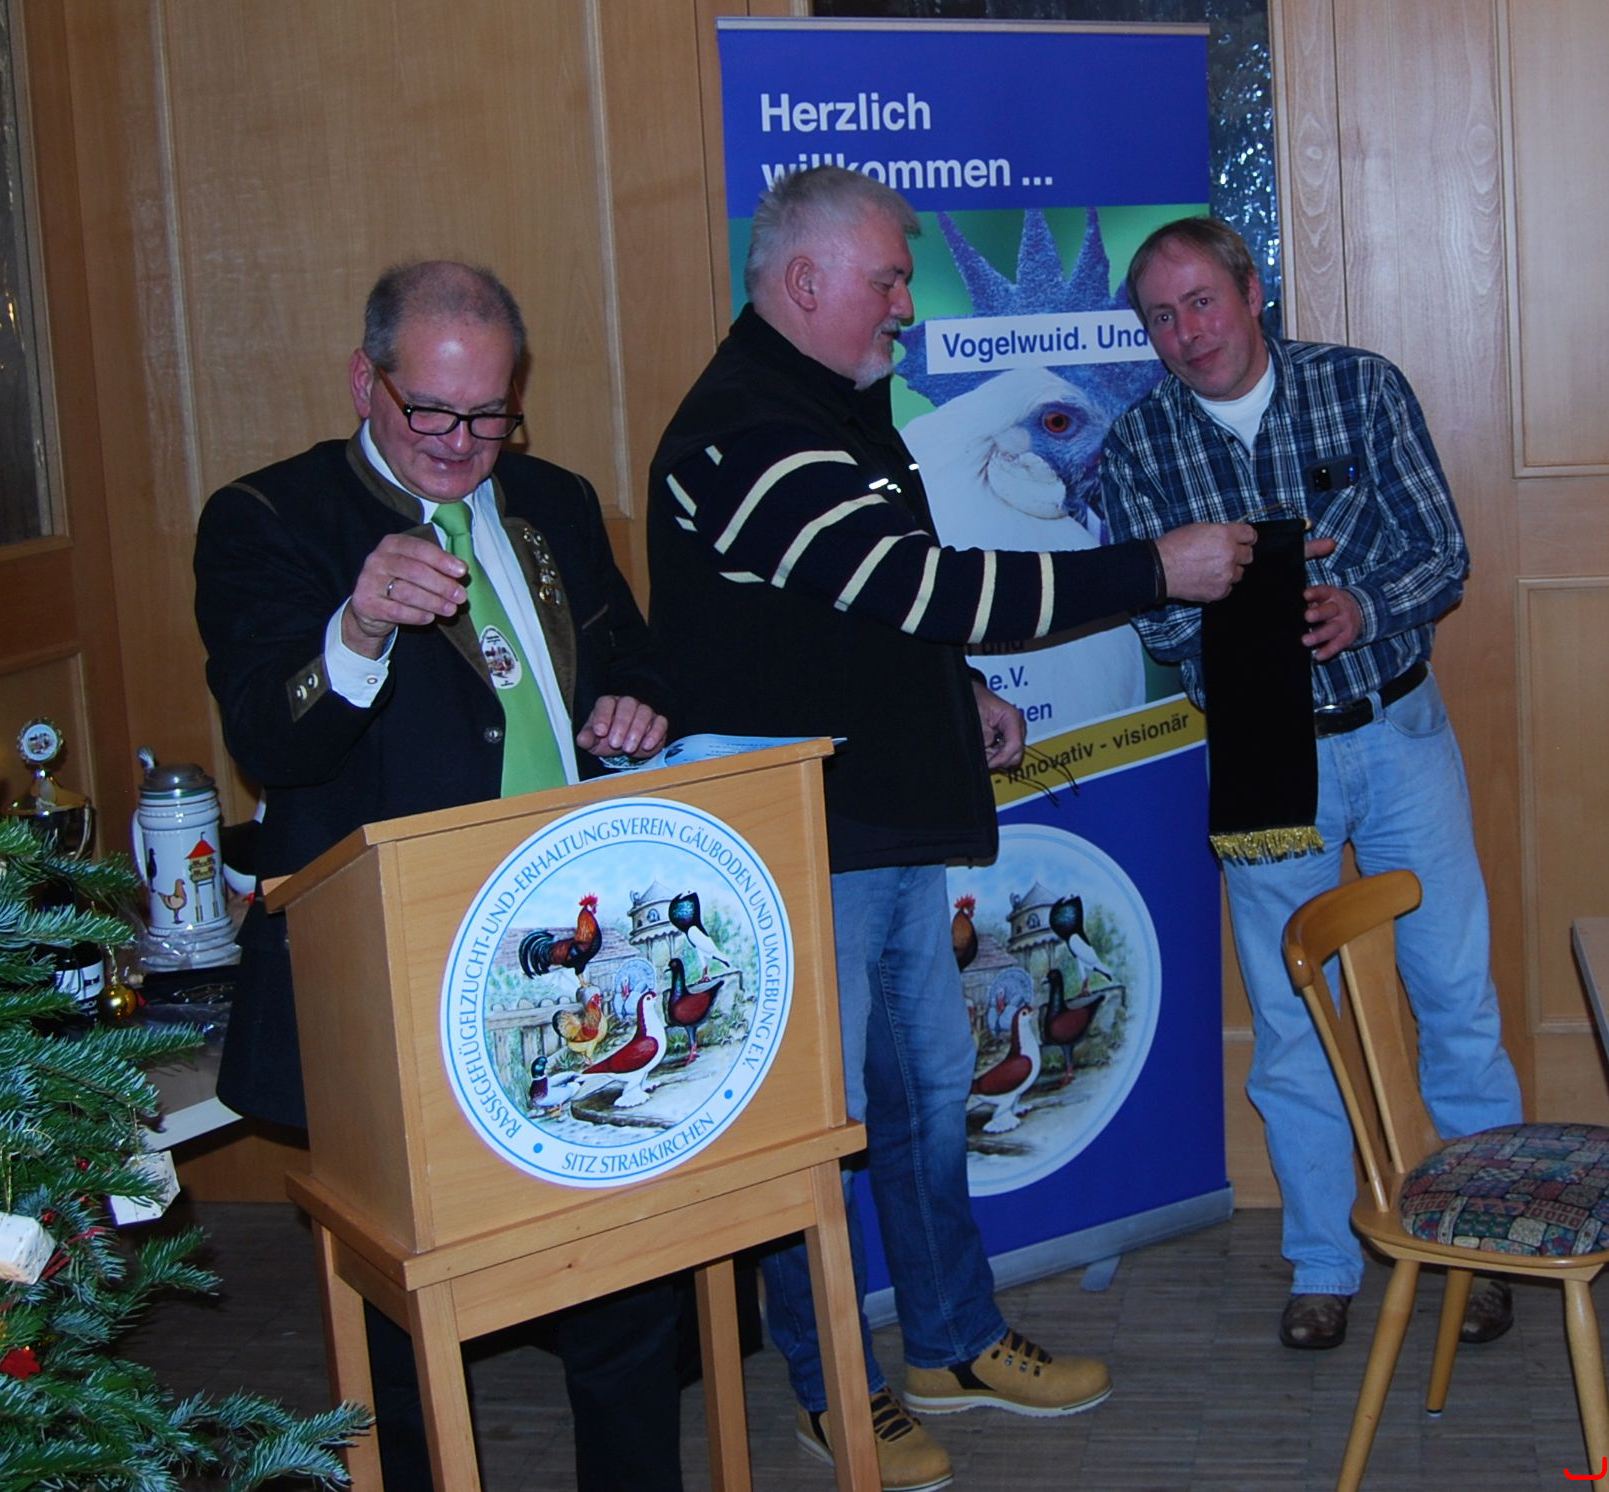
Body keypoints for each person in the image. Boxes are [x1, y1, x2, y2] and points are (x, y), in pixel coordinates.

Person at [645, 166, 1255, 1492]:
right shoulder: (745, 428)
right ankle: (833, 1387)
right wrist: (1155, 566)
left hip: (881, 814)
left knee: (927, 1097)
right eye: (886, 281)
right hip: (799, 840)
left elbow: (868, 613)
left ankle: (951, 1343)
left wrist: (957, 686)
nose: (906, 308)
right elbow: (919, 583)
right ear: (804, 281)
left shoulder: (836, 402)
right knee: (813, 1128)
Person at [194, 261, 683, 1490]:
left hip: (567, 959)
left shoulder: (554, 499)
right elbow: (268, 739)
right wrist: (355, 629)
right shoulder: (269, 518)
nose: (463, 444)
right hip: (394, 972)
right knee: (406, 1320)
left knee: (626, 1282)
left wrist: (635, 704)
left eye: (490, 415)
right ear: (364, 381)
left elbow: (628, 652)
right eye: (431, 412)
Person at [1100, 215, 1525, 1353]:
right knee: (1293, 1022)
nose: (1187, 334)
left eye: (1202, 301)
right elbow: (1150, 617)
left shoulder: (1360, 388)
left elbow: (1442, 552)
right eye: (1160, 318)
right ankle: (1323, 1262)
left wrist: (1360, 606)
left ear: (1252, 293)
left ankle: (1481, 1243)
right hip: (1260, 760)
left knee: (1454, 997)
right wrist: (1231, 604)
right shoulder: (1137, 445)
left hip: (1396, 731)